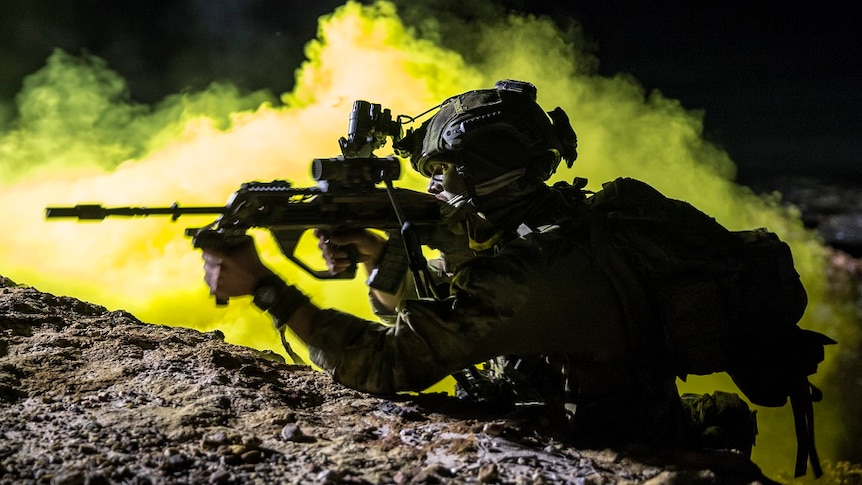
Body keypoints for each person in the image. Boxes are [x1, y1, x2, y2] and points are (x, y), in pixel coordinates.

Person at [201, 80, 768, 455]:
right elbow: (456, 305)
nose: (431, 189)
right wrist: (383, 259)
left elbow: (383, 366)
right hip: (600, 416)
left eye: (443, 175)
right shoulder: (558, 222)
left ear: (480, 180)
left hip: (612, 450)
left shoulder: (533, 270)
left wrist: (268, 289)